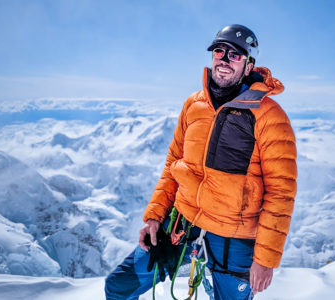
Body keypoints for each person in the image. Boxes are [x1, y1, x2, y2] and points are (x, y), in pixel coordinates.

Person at [105, 24, 297, 300]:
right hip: (182, 223)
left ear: (249, 65)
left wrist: (266, 258)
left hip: (235, 236)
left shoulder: (269, 117)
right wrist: (155, 217)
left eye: (235, 55)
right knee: (119, 286)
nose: (224, 59)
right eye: (220, 51)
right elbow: (173, 163)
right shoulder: (193, 105)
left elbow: (281, 191)